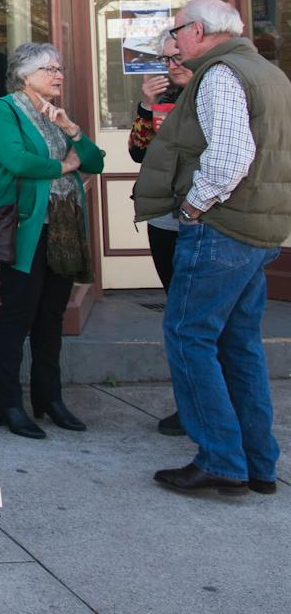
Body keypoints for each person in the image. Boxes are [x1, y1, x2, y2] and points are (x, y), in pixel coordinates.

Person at [136, 0, 291, 497]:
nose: (173, 41)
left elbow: (229, 158)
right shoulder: (266, 72)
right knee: (238, 343)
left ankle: (222, 461)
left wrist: (193, 209)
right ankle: (258, 463)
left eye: (176, 30)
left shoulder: (221, 75)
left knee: (188, 336)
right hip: (257, 231)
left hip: (223, 229)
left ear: (198, 30)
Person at [0, 43, 104, 439]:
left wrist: (72, 131)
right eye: (50, 68)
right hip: (24, 228)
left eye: (60, 67)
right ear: (24, 74)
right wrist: (64, 165)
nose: (59, 74)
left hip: (63, 227)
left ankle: (49, 398)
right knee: (18, 314)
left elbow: (96, 161)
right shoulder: (4, 110)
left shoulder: (56, 116)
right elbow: (17, 161)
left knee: (52, 316)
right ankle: (7, 403)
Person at [129, 41, 194, 437]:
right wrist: (145, 107)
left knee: (199, 321)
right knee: (179, 314)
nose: (172, 66)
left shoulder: (215, 91)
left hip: (204, 222)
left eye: (179, 59)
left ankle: (209, 407)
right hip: (166, 221)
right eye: (168, 60)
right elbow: (138, 153)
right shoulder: (164, 99)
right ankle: (189, 405)